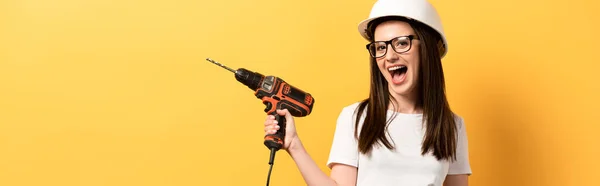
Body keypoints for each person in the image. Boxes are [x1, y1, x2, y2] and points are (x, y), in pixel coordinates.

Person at [263, 0, 472, 185]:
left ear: (428, 49)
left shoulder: (452, 127)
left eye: (401, 43)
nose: (388, 56)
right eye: (380, 47)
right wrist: (294, 145)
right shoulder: (356, 118)